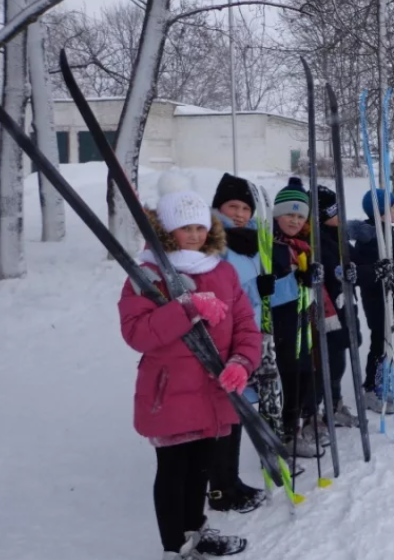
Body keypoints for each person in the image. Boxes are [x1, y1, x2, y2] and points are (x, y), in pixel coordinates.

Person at [118, 184, 258, 559]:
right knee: (174, 471)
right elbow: (137, 333)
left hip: (215, 388)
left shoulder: (223, 270)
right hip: (171, 391)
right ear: (166, 231)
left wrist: (242, 362)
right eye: (186, 228)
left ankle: (195, 531)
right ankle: (173, 548)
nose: (195, 235)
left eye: (201, 227)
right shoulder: (146, 275)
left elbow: (246, 324)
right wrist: (187, 307)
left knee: (201, 468)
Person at [207, 173, 289, 514]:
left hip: (252, 336)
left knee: (240, 413)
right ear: (218, 207)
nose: (240, 213)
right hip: (224, 340)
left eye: (245, 207)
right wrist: (260, 289)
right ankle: (221, 488)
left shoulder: (256, 240)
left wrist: (288, 285)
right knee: (226, 414)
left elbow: (266, 295)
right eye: (232, 206)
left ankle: (231, 480)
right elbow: (223, 296)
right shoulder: (214, 245)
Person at [269, 181, 340, 456]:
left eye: (300, 216)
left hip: (304, 322)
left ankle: (298, 427)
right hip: (283, 326)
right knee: (289, 381)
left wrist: (312, 278)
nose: (295, 221)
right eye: (290, 215)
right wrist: (296, 279)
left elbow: (310, 284)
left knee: (305, 379)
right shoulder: (271, 246)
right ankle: (287, 433)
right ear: (277, 215)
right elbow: (267, 290)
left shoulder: (302, 245)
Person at [347, 190, 394, 412]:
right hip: (379, 302)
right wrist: (385, 272)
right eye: (392, 208)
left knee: (389, 344)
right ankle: (371, 388)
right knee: (380, 344)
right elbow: (367, 272)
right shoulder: (370, 238)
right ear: (380, 212)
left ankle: (384, 382)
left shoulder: (387, 232)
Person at [314, 185, 362, 427]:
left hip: (344, 308)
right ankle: (320, 411)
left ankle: (335, 404)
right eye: (334, 212)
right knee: (329, 364)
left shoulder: (338, 236)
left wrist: (355, 271)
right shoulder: (317, 242)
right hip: (327, 312)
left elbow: (355, 260)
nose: (339, 216)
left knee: (339, 361)